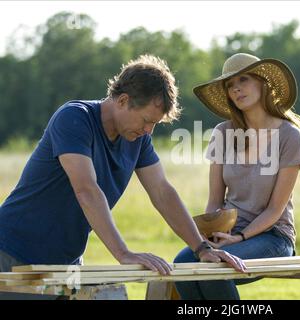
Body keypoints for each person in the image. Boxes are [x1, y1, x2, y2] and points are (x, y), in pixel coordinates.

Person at [0, 54, 245, 298]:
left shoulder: (138, 139)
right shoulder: (74, 118)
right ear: (123, 100)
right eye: (147, 120)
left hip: (67, 262)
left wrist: (202, 248)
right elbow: (87, 190)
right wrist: (124, 254)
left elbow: (162, 191)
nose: (149, 130)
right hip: (12, 254)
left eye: (155, 124)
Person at [174, 53, 300, 300]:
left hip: (272, 237)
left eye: (243, 80)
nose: (236, 89)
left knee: (216, 268)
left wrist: (238, 238)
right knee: (182, 264)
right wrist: (209, 237)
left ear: (263, 83)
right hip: (227, 233)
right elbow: (215, 200)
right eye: (230, 85)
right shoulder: (222, 133)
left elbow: (275, 209)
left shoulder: (289, 136)